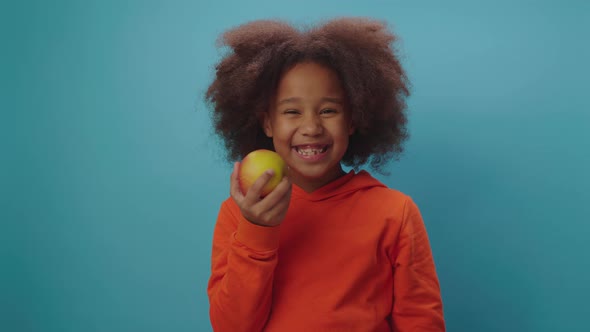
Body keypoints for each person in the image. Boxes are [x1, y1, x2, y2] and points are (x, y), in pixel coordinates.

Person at [204, 17, 445, 332]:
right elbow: (232, 326)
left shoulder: (394, 212)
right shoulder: (239, 215)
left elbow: (421, 320)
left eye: (328, 110)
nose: (311, 128)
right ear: (267, 124)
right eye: (292, 111)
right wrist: (257, 232)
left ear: (353, 120)